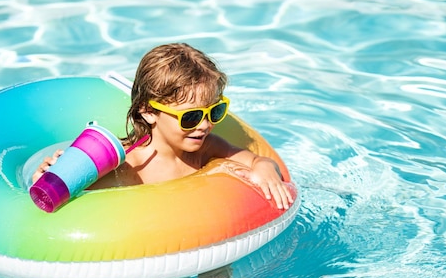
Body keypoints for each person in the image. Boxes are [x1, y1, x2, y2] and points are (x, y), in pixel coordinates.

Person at [33, 43, 293, 210]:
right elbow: (59, 191)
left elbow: (258, 161)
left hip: (204, 233)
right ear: (148, 112)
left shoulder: (206, 149)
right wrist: (55, 172)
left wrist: (266, 171)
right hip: (147, 249)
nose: (204, 125)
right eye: (190, 117)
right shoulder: (126, 163)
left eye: (214, 111)